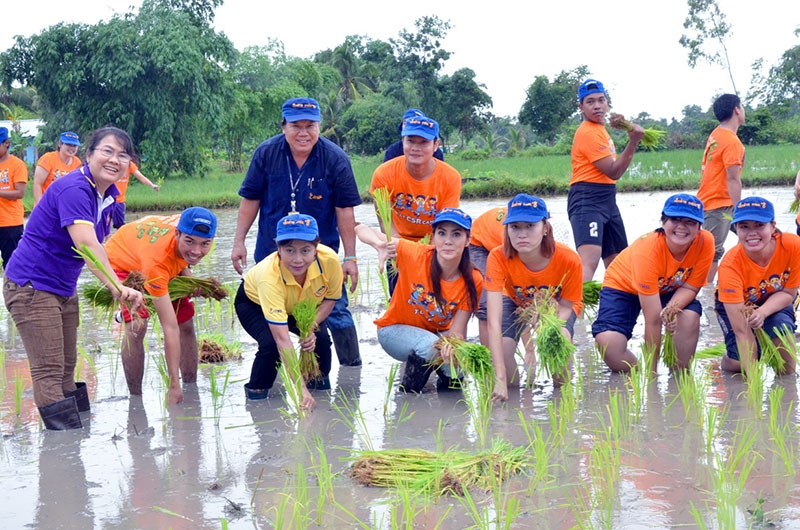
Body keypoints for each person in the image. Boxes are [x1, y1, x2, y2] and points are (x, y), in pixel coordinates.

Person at [3, 126, 144, 430]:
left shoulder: (109, 195)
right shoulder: (75, 189)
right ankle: (62, 458)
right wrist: (117, 288)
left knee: (67, 369)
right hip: (31, 286)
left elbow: (115, 240)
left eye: (122, 155)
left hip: (63, 287)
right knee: (49, 372)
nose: (114, 159)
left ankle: (76, 447)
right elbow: (88, 245)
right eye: (107, 151)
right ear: (89, 155)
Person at [231, 97, 362, 367]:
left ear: (319, 127)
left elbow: (344, 210)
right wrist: (238, 241)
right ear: (283, 127)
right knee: (274, 315)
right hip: (272, 253)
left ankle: (352, 371)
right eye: (296, 126)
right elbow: (250, 200)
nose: (303, 133)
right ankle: (282, 372)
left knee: (335, 310)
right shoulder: (266, 154)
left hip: (319, 256)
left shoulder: (335, 159)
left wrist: (350, 257)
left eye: (310, 126)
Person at [356, 208, 482, 393]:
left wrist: (452, 347)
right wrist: (378, 244)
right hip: (393, 332)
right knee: (431, 347)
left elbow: (457, 331)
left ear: (468, 240)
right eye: (441, 233)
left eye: (456, 234)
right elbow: (360, 228)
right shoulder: (416, 254)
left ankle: (446, 413)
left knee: (455, 364)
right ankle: (407, 394)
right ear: (432, 237)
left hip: (436, 335)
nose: (448, 241)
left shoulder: (473, 279)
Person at [105, 207, 217, 405]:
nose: (197, 251)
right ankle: (136, 401)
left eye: (205, 244)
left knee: (186, 323)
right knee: (137, 326)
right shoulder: (157, 262)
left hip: (150, 251)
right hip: (121, 262)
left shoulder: (184, 228)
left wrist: (189, 277)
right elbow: (169, 327)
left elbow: (182, 251)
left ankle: (192, 389)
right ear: (177, 234)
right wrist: (173, 385)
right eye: (189, 241)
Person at [592, 194, 714, 373]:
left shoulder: (706, 242)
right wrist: (651, 375)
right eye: (675, 219)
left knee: (688, 318)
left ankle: (679, 374)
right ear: (663, 222)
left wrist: (671, 308)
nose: (681, 227)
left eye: (690, 222)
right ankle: (640, 369)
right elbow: (653, 321)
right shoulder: (647, 251)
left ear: (699, 227)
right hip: (623, 287)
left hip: (668, 286)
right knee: (609, 343)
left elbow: (690, 287)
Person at [236, 214, 342, 409]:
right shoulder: (270, 277)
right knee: (270, 346)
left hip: (302, 307)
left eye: (305, 250)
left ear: (316, 248)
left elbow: (330, 299)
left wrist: (310, 326)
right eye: (289, 250)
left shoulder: (331, 262)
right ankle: (256, 397)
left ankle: (317, 389)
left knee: (321, 342)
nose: (298, 259)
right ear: (278, 249)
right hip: (255, 304)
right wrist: (299, 389)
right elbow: (282, 340)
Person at [485, 194, 583, 401]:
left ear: (545, 227)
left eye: (530, 226)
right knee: (503, 354)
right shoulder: (497, 256)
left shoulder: (569, 259)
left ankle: (562, 404)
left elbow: (567, 305)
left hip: (558, 307)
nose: (522, 234)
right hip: (515, 300)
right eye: (515, 227)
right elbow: (493, 321)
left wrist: (549, 321)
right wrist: (500, 378)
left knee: (560, 342)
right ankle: (516, 404)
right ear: (507, 230)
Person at [568, 79, 644, 282]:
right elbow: (613, 171)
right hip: (588, 199)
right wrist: (634, 141)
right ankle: (575, 312)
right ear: (581, 108)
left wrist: (626, 127)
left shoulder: (600, 129)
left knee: (619, 263)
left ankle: (616, 311)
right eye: (590, 102)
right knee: (589, 262)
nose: (597, 106)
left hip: (608, 200)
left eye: (601, 100)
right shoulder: (588, 132)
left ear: (607, 102)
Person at [715, 197, 800, 376]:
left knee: (781, 331)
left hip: (776, 297)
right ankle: (728, 360)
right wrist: (754, 385)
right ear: (736, 229)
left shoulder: (793, 247)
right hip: (737, 305)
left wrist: (762, 313)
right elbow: (742, 331)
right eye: (744, 227)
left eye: (759, 225)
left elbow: (788, 292)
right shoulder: (730, 265)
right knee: (741, 362)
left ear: (773, 226)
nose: (752, 233)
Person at [370, 115, 461, 242]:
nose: (415, 148)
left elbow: (445, 226)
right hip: (397, 241)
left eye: (424, 142)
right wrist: (401, 249)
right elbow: (387, 225)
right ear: (403, 141)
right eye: (410, 141)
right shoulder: (384, 174)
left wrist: (426, 253)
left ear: (435, 145)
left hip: (434, 243)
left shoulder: (451, 178)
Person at [697, 93, 746, 283]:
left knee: (754, 237)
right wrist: (741, 210)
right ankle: (705, 296)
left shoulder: (717, 134)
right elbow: (733, 179)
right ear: (736, 110)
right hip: (719, 204)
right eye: (742, 106)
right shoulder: (732, 141)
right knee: (712, 252)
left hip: (711, 200)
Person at [0, 127, 28, 267]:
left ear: (6, 143)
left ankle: (10, 289)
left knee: (11, 263)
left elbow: (20, 193)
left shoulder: (17, 165)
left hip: (10, 223)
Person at [32, 131, 83, 206]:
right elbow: (37, 184)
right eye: (68, 144)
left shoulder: (77, 162)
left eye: (74, 146)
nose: (72, 148)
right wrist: (40, 207)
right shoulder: (48, 158)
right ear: (60, 144)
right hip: (47, 205)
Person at [111, 159, 160, 229]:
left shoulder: (129, 164)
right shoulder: (112, 162)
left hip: (120, 200)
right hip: (107, 199)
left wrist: (152, 185)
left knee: (120, 226)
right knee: (104, 225)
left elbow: (141, 177)